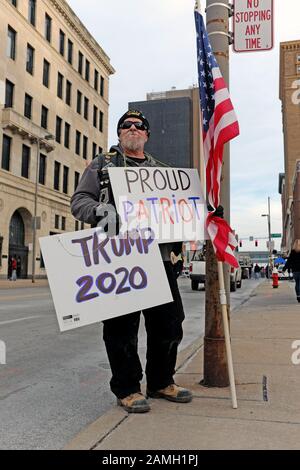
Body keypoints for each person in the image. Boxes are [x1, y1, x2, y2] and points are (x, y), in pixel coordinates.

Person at [71, 110, 192, 413]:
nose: (133, 128)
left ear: (147, 135)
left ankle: (161, 382)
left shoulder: (162, 171)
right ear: (119, 133)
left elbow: (180, 210)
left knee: (170, 323)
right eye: (126, 125)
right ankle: (127, 388)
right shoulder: (102, 166)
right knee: (121, 328)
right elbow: (79, 202)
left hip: (159, 258)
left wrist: (201, 213)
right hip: (118, 257)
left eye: (139, 126)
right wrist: (101, 211)